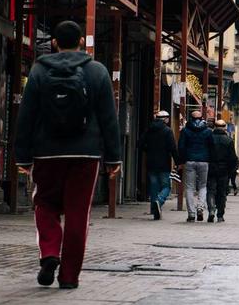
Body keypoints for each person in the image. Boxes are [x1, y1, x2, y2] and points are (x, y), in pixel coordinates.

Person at [14, 20, 121, 290]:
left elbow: (26, 116)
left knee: (44, 203)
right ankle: (69, 276)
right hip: (85, 155)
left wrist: (23, 157)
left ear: (54, 42)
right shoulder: (97, 72)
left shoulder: (39, 70)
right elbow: (109, 118)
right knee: (77, 213)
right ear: (82, 43)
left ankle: (50, 253)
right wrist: (113, 158)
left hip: (46, 152)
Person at [140, 110, 179, 220]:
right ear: (165, 119)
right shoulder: (167, 131)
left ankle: (154, 209)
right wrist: (178, 161)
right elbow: (173, 148)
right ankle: (160, 200)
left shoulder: (149, 129)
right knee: (166, 186)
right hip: (164, 162)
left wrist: (148, 150)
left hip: (151, 162)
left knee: (154, 186)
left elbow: (140, 144)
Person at [178, 109, 213, 222]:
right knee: (203, 186)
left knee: (189, 187)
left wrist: (181, 161)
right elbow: (212, 147)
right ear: (202, 118)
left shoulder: (185, 131)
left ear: (190, 118)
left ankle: (191, 213)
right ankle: (200, 208)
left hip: (189, 161)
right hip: (204, 161)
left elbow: (181, 147)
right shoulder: (208, 131)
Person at [206, 120, 237, 223]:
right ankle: (220, 215)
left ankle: (211, 210)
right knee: (222, 192)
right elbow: (232, 157)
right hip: (224, 170)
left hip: (211, 168)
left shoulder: (209, 139)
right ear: (224, 127)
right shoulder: (228, 140)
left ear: (214, 127)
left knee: (211, 190)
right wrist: (232, 171)